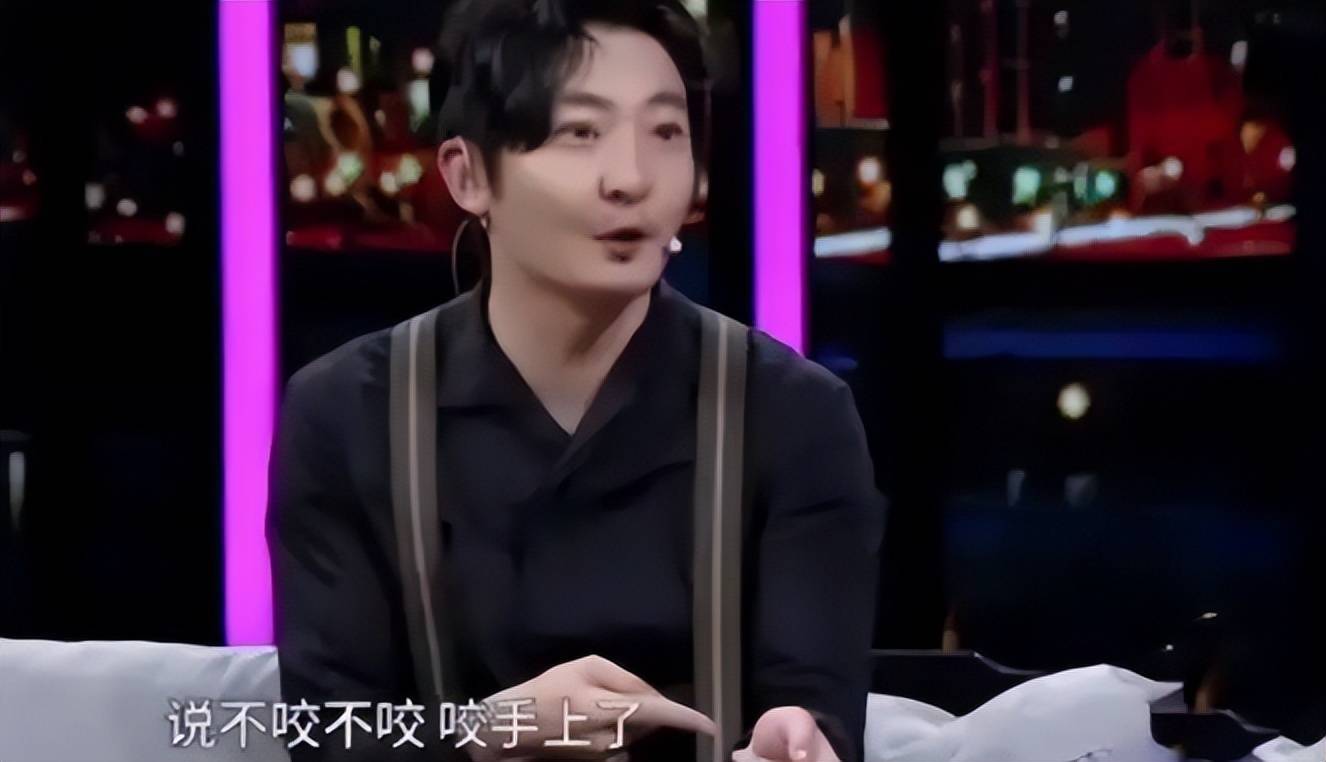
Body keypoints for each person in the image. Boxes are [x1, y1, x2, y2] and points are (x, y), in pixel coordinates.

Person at [266, 2, 886, 761]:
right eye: (580, 133)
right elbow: (332, 735)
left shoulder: (794, 415)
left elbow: (816, 707)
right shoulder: (346, 414)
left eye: (666, 133)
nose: (631, 179)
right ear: (468, 175)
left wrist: (803, 742)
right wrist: (496, 730)